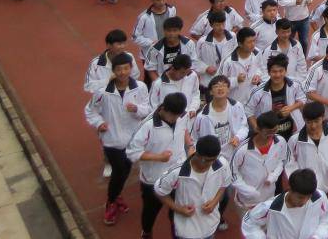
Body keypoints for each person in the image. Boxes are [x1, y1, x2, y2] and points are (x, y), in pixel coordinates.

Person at [84, 52, 151, 225]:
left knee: (126, 170)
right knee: (119, 170)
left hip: (132, 139)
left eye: (126, 68)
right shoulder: (102, 93)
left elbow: (148, 109)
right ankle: (111, 202)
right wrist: (99, 123)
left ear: (130, 69)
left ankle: (117, 195)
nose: (123, 72)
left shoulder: (141, 87)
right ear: (113, 71)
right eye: (119, 69)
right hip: (112, 140)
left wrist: (136, 109)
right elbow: (91, 111)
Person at [126, 91, 190, 237]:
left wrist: (189, 144)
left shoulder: (182, 115)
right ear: (163, 109)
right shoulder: (147, 126)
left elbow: (185, 128)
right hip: (153, 179)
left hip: (177, 174)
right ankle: (147, 232)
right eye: (173, 115)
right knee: (151, 211)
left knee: (177, 210)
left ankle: (177, 233)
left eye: (178, 116)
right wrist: (158, 157)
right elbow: (131, 152)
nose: (175, 119)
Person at [154, 134, 231, 239]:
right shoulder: (177, 172)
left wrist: (214, 202)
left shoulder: (222, 164)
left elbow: (224, 185)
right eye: (205, 160)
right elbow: (159, 191)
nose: (209, 164)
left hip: (210, 226)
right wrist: (179, 209)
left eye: (213, 159)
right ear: (196, 154)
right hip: (186, 231)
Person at [241, 167, 328, 239]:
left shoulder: (319, 197)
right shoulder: (271, 207)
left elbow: (326, 219)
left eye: (308, 197)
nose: (305, 201)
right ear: (290, 189)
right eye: (300, 197)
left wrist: (317, 236)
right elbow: (249, 223)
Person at [230, 111, 289, 210]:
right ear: (257, 129)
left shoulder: (281, 142)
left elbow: (282, 160)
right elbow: (232, 173)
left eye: (274, 130)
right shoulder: (243, 150)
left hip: (269, 197)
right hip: (247, 202)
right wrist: (248, 191)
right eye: (267, 132)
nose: (271, 135)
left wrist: (274, 176)